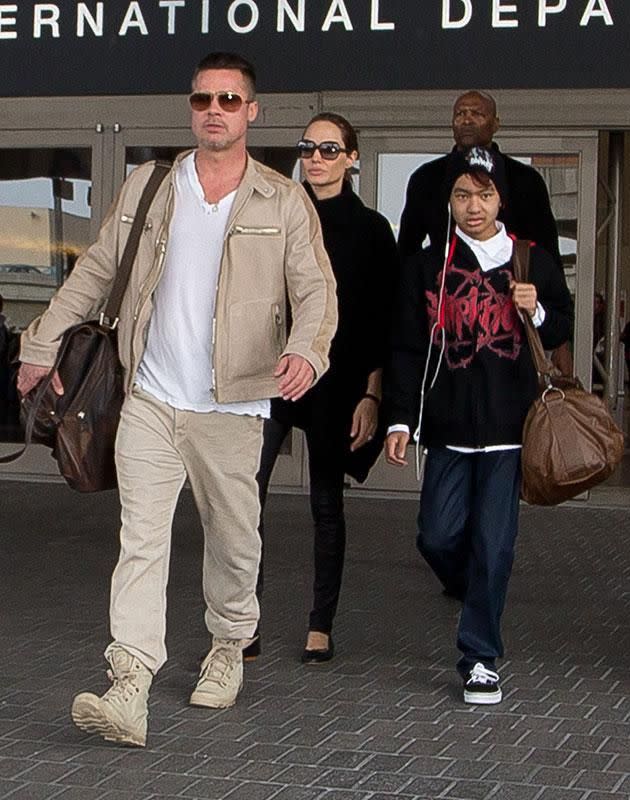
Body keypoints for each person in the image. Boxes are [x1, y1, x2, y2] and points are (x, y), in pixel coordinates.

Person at [17, 51, 337, 747]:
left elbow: (315, 292)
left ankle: (227, 645)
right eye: (202, 100)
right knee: (141, 540)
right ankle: (129, 682)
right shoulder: (151, 185)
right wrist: (41, 343)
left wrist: (308, 350)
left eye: (228, 100)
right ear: (190, 108)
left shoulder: (282, 199)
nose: (213, 111)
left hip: (234, 403)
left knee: (232, 540)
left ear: (252, 111)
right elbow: (99, 269)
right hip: (152, 397)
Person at [385, 146, 572, 705]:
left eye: (484, 194)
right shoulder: (429, 266)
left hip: (510, 431)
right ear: (449, 199)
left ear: (501, 200)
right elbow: (407, 348)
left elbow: (562, 321)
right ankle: (477, 592)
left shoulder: (530, 259)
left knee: (495, 546)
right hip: (446, 430)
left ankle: (480, 656)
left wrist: (535, 308)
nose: (474, 206)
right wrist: (401, 420)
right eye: (463, 194)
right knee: (437, 536)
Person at [250, 113, 398, 664]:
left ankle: (320, 624)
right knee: (247, 496)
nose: (316, 158)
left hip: (338, 381)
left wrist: (372, 394)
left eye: (330, 150)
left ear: (353, 158)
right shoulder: (278, 217)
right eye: (308, 148)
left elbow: (381, 321)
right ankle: (244, 621)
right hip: (272, 374)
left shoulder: (372, 230)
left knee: (326, 504)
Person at [398, 91, 562, 267]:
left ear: (495, 124)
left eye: (477, 114)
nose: (467, 120)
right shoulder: (426, 178)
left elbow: (547, 249)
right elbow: (407, 249)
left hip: (508, 285)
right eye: (460, 114)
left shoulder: (525, 180)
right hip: (442, 283)